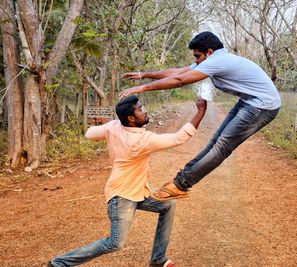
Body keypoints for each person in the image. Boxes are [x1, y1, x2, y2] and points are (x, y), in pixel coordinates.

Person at [119, 31, 281, 201]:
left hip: (263, 106)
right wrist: (143, 75)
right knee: (215, 142)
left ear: (209, 52)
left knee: (222, 146)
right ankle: (181, 180)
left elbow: (180, 80)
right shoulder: (212, 59)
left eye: (197, 56)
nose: (195, 61)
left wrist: (142, 88)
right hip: (250, 101)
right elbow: (177, 73)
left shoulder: (217, 61)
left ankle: (181, 184)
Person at [48, 96, 207, 267]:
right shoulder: (142, 140)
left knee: (167, 205)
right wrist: (201, 111)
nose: (144, 110)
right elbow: (179, 138)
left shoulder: (114, 126)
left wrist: (106, 127)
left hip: (138, 191)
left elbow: (89, 133)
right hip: (122, 195)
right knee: (115, 243)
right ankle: (58, 263)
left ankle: (158, 259)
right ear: (130, 118)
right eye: (140, 109)